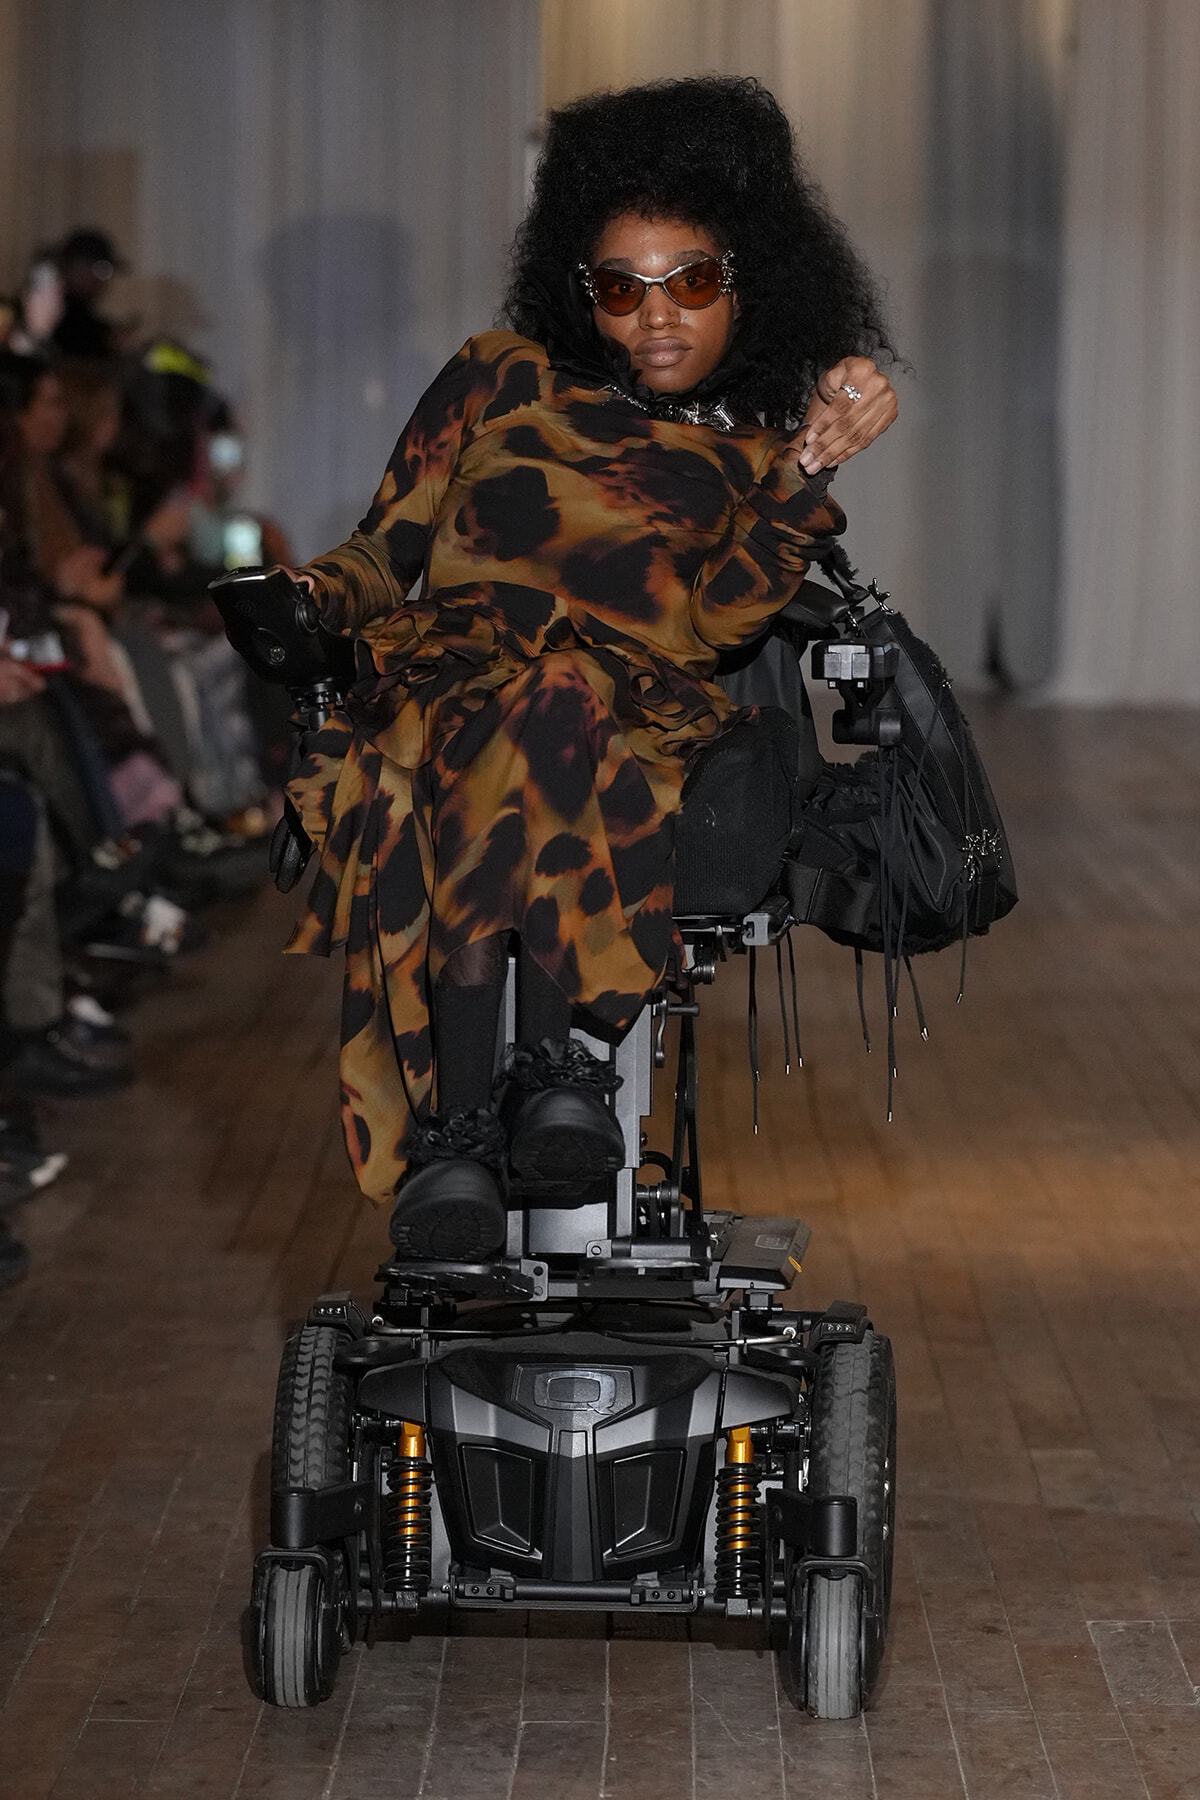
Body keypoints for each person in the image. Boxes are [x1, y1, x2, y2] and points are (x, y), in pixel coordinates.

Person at [281, 76, 898, 1260]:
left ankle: (466, 1129)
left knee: (554, 692)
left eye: (692, 284)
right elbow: (381, 551)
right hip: (443, 688)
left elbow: (720, 627)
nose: (655, 318)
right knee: (520, 695)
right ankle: (547, 1085)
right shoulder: (498, 375)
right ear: (581, 290)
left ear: (746, 283)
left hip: (628, 717)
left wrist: (808, 473)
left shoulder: (758, 452)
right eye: (621, 288)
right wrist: (305, 600)